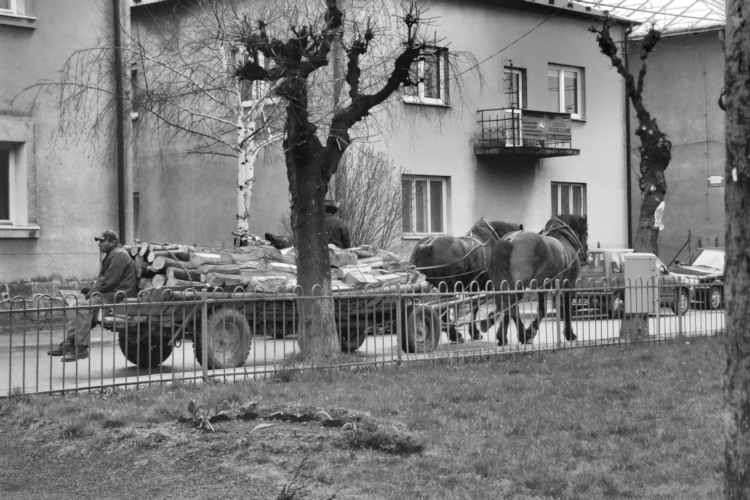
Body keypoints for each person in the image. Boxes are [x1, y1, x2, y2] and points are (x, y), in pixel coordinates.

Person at [48, 229, 137, 362]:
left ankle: (81, 348)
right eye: (99, 241)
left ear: (112, 242)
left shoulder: (118, 255)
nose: (99, 244)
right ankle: (70, 343)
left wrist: (92, 292)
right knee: (76, 306)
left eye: (102, 241)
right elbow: (106, 279)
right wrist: (92, 288)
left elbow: (109, 281)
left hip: (118, 295)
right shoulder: (113, 253)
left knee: (83, 308)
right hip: (111, 292)